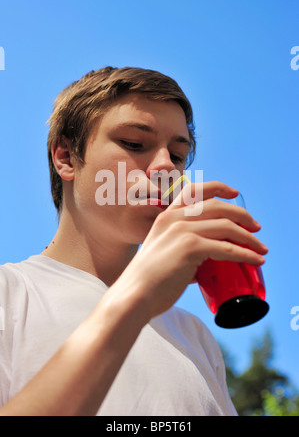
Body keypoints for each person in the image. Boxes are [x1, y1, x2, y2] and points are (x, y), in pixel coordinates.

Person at [0, 66, 268, 416]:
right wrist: (135, 295)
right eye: (134, 143)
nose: (166, 168)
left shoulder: (194, 335)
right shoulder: (10, 294)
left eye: (177, 156)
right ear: (65, 156)